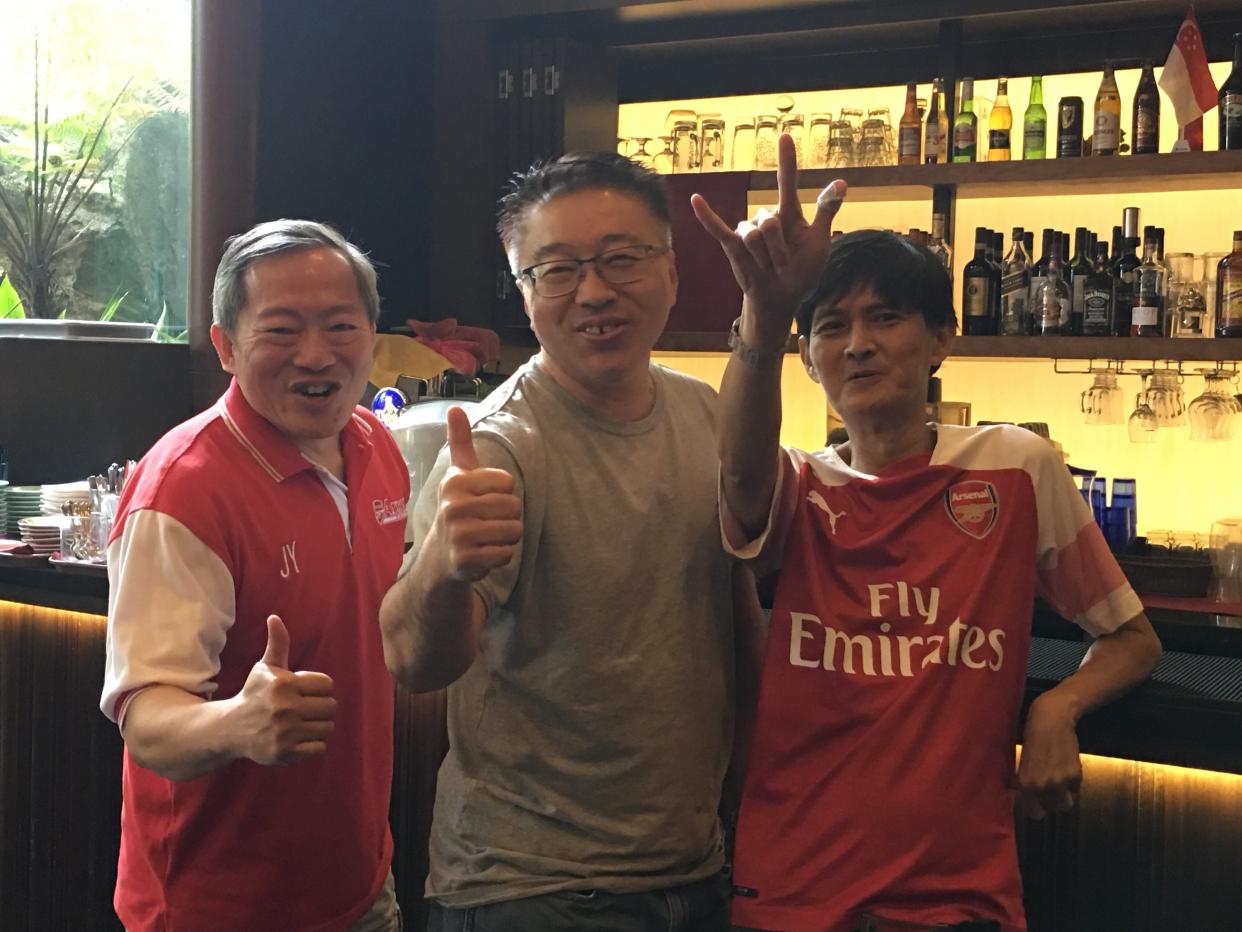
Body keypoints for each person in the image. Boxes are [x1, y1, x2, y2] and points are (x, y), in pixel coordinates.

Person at [692, 136, 1162, 932]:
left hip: (960, 895)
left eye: (886, 317)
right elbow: (739, 479)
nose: (859, 343)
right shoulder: (800, 485)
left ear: (945, 338)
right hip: (794, 887)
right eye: (832, 326)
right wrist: (764, 314)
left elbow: (1131, 639)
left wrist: (1056, 710)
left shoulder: (1016, 467)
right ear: (807, 360)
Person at [380, 152, 757, 931]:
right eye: (554, 270)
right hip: (531, 888)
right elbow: (414, 663)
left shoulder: (708, 418)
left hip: (696, 870)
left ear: (671, 270)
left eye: (621, 258)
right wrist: (444, 571)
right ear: (524, 296)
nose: (593, 291)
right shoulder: (498, 446)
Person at [99, 220, 410, 931]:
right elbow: (147, 721)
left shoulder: (378, 448)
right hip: (217, 905)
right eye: (280, 330)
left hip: (360, 882)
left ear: (371, 333)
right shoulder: (185, 489)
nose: (315, 354)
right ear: (226, 348)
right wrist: (237, 723)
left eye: (340, 325)